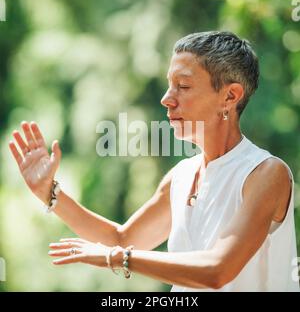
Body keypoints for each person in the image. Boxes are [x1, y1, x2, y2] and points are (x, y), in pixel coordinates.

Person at [9, 31, 299, 291]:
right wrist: (49, 193)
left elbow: (217, 270)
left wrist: (115, 259)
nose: (166, 99)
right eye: (169, 85)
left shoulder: (266, 173)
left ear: (230, 96)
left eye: (182, 86)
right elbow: (123, 239)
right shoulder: (182, 175)